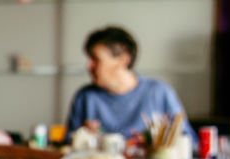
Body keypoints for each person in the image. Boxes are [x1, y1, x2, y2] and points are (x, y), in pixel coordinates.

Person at [66, 26, 197, 144]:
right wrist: (80, 137)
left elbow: (189, 141)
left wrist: (152, 141)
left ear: (123, 60)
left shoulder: (158, 92)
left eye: (96, 59)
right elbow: (66, 146)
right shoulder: (85, 96)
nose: (89, 66)